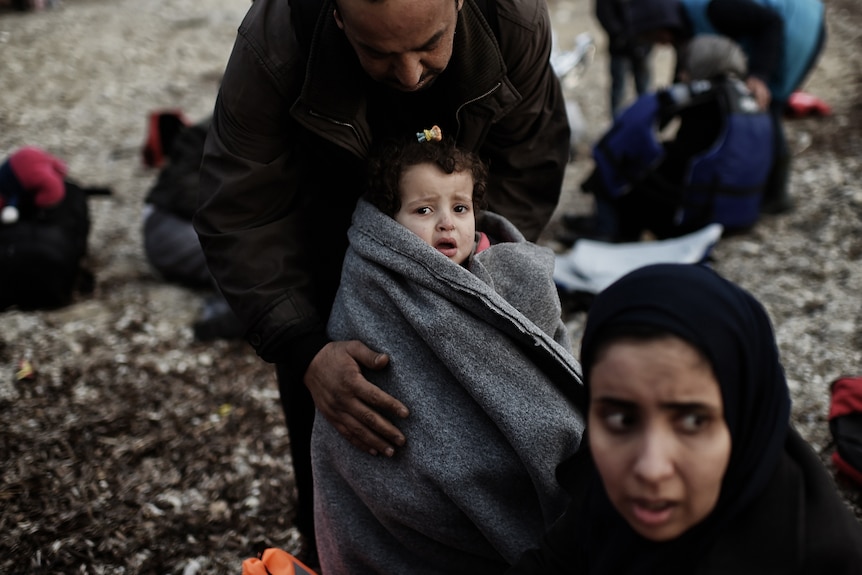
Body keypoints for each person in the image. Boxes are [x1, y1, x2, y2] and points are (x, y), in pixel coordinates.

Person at [193, 0, 572, 554]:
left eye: (430, 45)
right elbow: (240, 209)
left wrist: (478, 264)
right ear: (338, 16)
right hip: (322, 246)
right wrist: (304, 350)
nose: (410, 75)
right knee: (344, 438)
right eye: (379, 52)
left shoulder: (512, 18)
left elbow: (531, 156)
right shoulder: (276, 42)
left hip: (462, 230)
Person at [312, 132, 585, 574]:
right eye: (423, 210)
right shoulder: (373, 284)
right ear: (390, 222)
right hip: (415, 481)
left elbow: (547, 364)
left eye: (460, 208)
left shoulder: (509, 273)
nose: (446, 224)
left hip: (511, 468)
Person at [507, 262, 862, 574]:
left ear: (745, 420)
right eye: (622, 419)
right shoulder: (602, 496)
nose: (650, 468)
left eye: (692, 422)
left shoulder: (820, 558)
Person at [560, 34, 773, 243]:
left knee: (621, 164)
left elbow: (682, 155)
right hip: (738, 210)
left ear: (704, 64)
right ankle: (603, 221)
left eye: (687, 67)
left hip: (695, 217)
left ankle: (609, 229)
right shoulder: (747, 99)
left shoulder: (707, 101)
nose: (682, 75)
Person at [626, 0, 826, 215]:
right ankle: (758, 188)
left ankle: (775, 195)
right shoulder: (683, 24)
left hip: (798, 28)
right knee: (759, 104)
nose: (659, 43)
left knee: (767, 106)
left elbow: (771, 22)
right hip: (786, 27)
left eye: (654, 36)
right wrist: (661, 115)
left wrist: (759, 75)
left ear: (664, 24)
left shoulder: (714, 8)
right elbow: (684, 72)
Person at [141, 118, 243, 341]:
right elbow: (185, 192)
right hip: (169, 222)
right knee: (236, 249)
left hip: (209, 222)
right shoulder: (202, 135)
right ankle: (233, 316)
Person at [595, 0, 652, 117]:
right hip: (620, 48)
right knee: (619, 89)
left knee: (644, 90)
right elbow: (603, 13)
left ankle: (645, 122)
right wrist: (620, 37)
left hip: (642, 45)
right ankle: (618, 127)